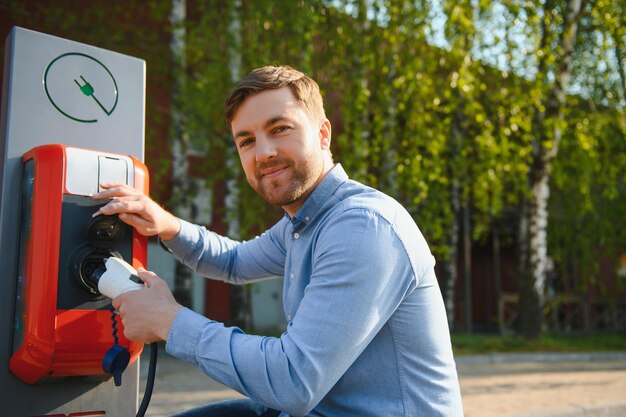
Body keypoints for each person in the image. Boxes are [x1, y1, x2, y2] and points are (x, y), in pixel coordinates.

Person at [93, 65, 464, 417]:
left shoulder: (362, 226)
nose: (264, 152)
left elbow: (293, 380)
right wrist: (166, 224)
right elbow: (234, 262)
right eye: (247, 141)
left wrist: (168, 322)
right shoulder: (302, 224)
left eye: (280, 128)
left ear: (323, 134)